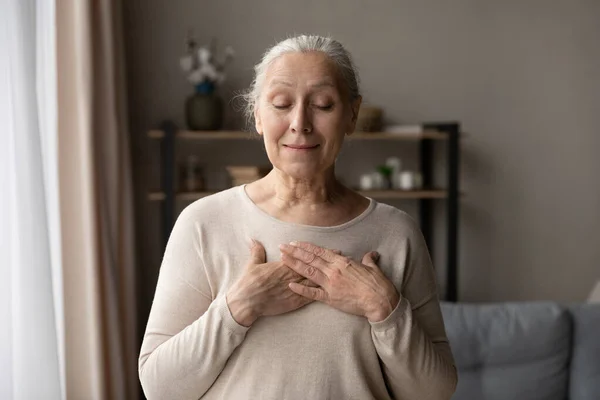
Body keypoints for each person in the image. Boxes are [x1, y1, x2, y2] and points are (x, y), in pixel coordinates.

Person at [139, 34, 457, 400]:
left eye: (322, 105)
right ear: (257, 115)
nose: (300, 122)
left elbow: (435, 392)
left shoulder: (396, 232)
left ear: (352, 114)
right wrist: (239, 306)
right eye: (280, 104)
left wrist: (383, 308)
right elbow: (159, 388)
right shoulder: (202, 223)